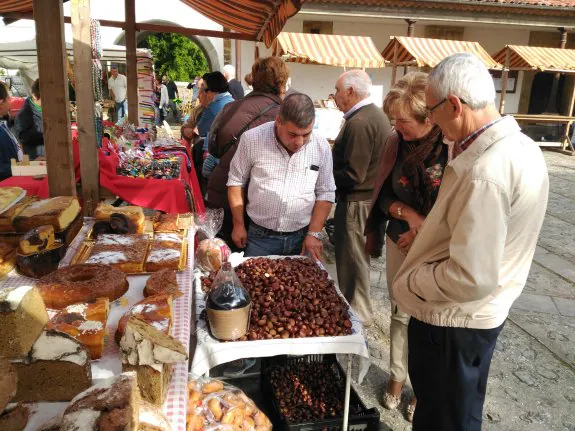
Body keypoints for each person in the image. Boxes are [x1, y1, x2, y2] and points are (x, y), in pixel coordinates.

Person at [392, 53, 549, 430]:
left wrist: (412, 280)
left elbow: (471, 276)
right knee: (458, 413)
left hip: (454, 322)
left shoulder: (487, 170)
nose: (432, 122)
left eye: (432, 112)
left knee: (444, 419)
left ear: (455, 105)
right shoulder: (521, 148)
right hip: (477, 317)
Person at [365, 72, 449, 422]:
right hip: (400, 238)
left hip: (439, 247)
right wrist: (408, 214)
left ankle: (423, 388)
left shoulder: (449, 148)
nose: (397, 127)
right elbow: (382, 194)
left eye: (402, 121)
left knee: (432, 320)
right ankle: (397, 376)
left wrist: (423, 230)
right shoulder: (395, 142)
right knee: (400, 315)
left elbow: (454, 207)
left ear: (428, 118)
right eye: (394, 120)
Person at [227, 93, 335, 259]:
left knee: (298, 285)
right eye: (292, 134)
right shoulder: (252, 139)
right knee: (255, 283)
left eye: (306, 134)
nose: (299, 142)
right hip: (260, 237)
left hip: (301, 237)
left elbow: (326, 192)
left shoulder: (321, 146)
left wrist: (314, 233)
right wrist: (238, 224)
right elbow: (236, 181)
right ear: (278, 122)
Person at [205, 56, 289, 250]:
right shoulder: (283, 115)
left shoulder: (230, 106)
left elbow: (213, 148)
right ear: (281, 83)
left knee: (223, 260)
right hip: (252, 203)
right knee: (252, 268)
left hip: (222, 194)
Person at [332, 70, 392, 329]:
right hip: (367, 200)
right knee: (357, 261)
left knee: (353, 263)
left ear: (350, 92)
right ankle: (357, 314)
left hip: (357, 203)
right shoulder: (373, 115)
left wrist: (322, 173)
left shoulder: (360, 122)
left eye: (336, 90)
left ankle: (357, 318)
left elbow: (353, 175)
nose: (334, 96)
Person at [15, 78, 44, 160]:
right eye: (44, 98)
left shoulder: (49, 110)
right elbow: (25, 139)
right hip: (37, 160)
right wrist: (48, 136)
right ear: (34, 96)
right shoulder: (23, 115)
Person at [0, 82, 23, 181]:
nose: (11, 103)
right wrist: (24, 168)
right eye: (9, 99)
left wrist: (29, 162)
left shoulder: (3, 125)